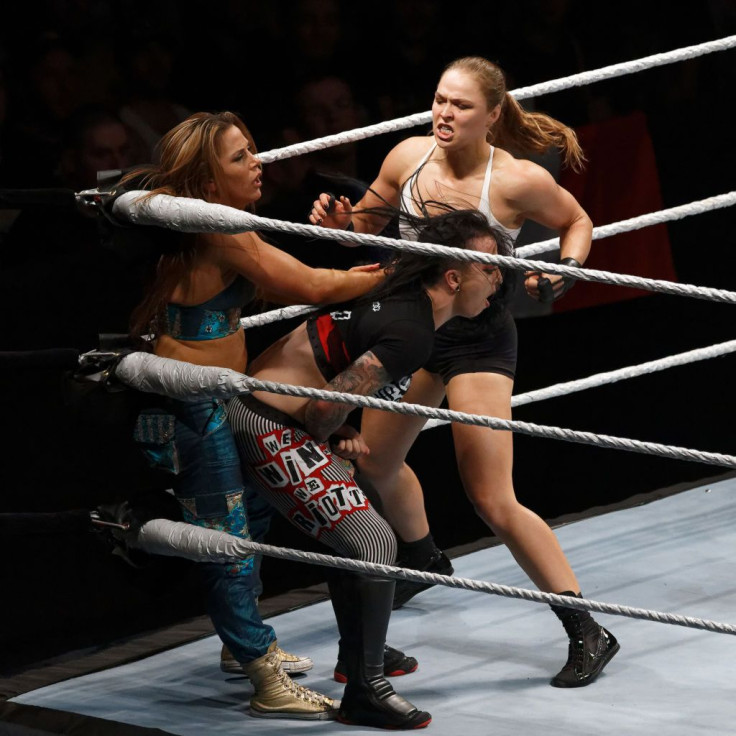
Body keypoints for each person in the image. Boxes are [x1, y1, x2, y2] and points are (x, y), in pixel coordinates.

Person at [308, 55, 619, 688]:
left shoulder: (516, 179)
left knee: (491, 498)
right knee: (373, 462)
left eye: (461, 105)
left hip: (477, 341)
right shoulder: (406, 158)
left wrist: (563, 269)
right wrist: (339, 225)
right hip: (412, 336)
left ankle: (588, 628)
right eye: (440, 100)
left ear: (493, 114)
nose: (445, 113)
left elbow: (577, 221)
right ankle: (424, 559)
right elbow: (363, 232)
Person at [120, 110, 386, 720]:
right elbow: (313, 286)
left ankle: (240, 650)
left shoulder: (216, 224)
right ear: (209, 183)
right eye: (240, 158)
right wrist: (388, 274)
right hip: (190, 407)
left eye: (253, 150)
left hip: (218, 398)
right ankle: (262, 672)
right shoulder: (217, 231)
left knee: (258, 509)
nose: (257, 163)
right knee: (229, 539)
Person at [227, 207, 508, 729]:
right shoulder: (413, 332)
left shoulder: (402, 296)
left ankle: (355, 659)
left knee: (361, 513)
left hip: (266, 409)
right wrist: (332, 430)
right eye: (489, 266)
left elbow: (327, 396)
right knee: (375, 541)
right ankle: (366, 689)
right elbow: (323, 407)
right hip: (265, 422)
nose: (499, 276)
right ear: (453, 275)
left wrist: (336, 430)